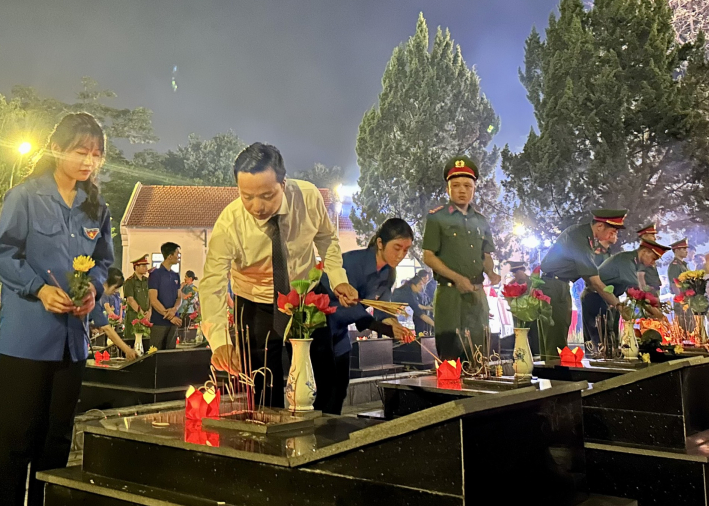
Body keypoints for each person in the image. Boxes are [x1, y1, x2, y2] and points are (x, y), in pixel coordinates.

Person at [0, 112, 114, 506]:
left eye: (96, 155)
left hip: (71, 344)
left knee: (57, 442)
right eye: (81, 151)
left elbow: (103, 263)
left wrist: (94, 290)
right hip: (25, 341)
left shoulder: (96, 208)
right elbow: (3, 256)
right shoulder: (25, 196)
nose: (88, 162)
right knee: (16, 440)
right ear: (56, 148)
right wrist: (39, 289)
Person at [202, 143, 358, 407]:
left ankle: (327, 439)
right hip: (255, 304)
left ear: (283, 184)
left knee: (322, 376)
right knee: (263, 384)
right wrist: (219, 341)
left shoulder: (308, 197)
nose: (257, 206)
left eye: (266, 195)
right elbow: (212, 284)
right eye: (247, 196)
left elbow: (326, 238)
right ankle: (268, 443)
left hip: (306, 297)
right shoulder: (230, 223)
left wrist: (337, 277)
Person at [313, 218, 414, 414]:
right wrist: (382, 328)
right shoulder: (352, 262)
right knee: (326, 389)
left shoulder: (388, 273)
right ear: (379, 243)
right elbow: (352, 308)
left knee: (341, 388)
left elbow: (384, 308)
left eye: (406, 249)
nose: (401, 254)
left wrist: (395, 326)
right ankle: (316, 434)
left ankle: (332, 433)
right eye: (397, 247)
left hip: (340, 332)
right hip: (321, 326)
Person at [422, 156, 500, 361]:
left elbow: (486, 255)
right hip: (450, 295)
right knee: (451, 353)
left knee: (479, 351)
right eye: (455, 185)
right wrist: (457, 278)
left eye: (467, 185)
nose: (462, 190)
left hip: (477, 295)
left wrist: (491, 272)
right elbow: (428, 256)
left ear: (474, 189)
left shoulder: (481, 221)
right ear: (448, 189)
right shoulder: (437, 217)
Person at [538, 210, 626, 358]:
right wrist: (619, 305)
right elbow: (594, 281)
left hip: (558, 284)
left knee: (554, 338)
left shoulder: (584, 236)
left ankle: (551, 376)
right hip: (554, 286)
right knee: (556, 342)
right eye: (612, 231)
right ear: (599, 226)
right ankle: (556, 378)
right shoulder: (580, 237)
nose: (613, 236)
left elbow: (590, 279)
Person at [581, 238, 670, 349]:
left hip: (611, 300)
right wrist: (659, 315)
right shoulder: (626, 260)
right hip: (596, 298)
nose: (653, 263)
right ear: (644, 252)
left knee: (612, 341)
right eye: (653, 258)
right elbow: (636, 294)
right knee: (601, 343)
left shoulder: (634, 262)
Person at [149, 242, 183, 350]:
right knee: (155, 352)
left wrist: (174, 309)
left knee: (171, 353)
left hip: (174, 322)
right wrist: (169, 316)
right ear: (169, 256)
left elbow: (179, 297)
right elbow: (153, 299)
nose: (179, 256)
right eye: (177, 253)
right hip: (159, 321)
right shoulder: (155, 274)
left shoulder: (175, 275)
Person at [96, 269, 137, 359]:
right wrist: (127, 350)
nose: (116, 291)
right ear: (106, 283)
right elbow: (107, 328)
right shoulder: (93, 296)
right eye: (115, 288)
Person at [123, 255, 151, 340]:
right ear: (136, 267)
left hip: (146, 315)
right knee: (133, 339)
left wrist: (149, 311)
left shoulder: (147, 281)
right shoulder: (130, 282)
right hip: (134, 316)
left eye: (146, 266)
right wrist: (141, 313)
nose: (146, 268)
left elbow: (150, 297)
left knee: (145, 339)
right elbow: (130, 300)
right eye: (143, 266)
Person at [667, 239, 692, 332]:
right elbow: (674, 284)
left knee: (691, 325)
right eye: (683, 248)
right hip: (682, 299)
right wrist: (682, 301)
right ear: (676, 250)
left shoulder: (684, 265)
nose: (686, 251)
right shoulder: (675, 265)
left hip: (688, 298)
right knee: (684, 326)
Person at [635, 224, 662, 296]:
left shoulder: (648, 252)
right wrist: (645, 293)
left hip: (654, 290)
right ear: (645, 237)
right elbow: (640, 275)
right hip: (649, 291)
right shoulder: (643, 254)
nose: (655, 238)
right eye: (652, 235)